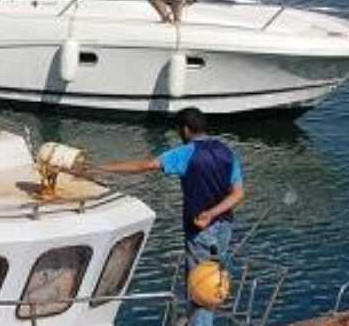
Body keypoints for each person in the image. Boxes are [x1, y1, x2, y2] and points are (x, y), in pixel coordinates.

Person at [97, 107, 244, 326]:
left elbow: (146, 165)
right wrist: (214, 213)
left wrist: (102, 169)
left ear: (185, 129)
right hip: (223, 228)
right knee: (214, 279)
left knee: (200, 284)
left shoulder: (187, 153)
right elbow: (238, 194)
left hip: (202, 232)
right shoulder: (227, 152)